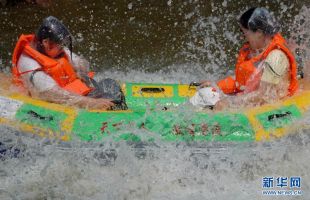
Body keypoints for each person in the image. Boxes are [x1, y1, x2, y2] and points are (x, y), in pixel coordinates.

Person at [191, 7, 298, 109]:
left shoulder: (276, 57)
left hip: (270, 108)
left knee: (211, 103)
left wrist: (229, 102)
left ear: (259, 33)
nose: (243, 37)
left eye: (244, 32)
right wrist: (216, 86)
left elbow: (264, 96)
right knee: (205, 94)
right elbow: (244, 81)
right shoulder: (255, 51)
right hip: (251, 100)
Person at [11, 16, 127, 110]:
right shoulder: (29, 64)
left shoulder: (53, 49)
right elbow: (50, 93)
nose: (63, 48)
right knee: (110, 101)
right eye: (61, 45)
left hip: (78, 93)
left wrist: (79, 71)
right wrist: (91, 103)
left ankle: (116, 106)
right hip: (59, 101)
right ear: (46, 42)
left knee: (109, 83)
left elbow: (82, 64)